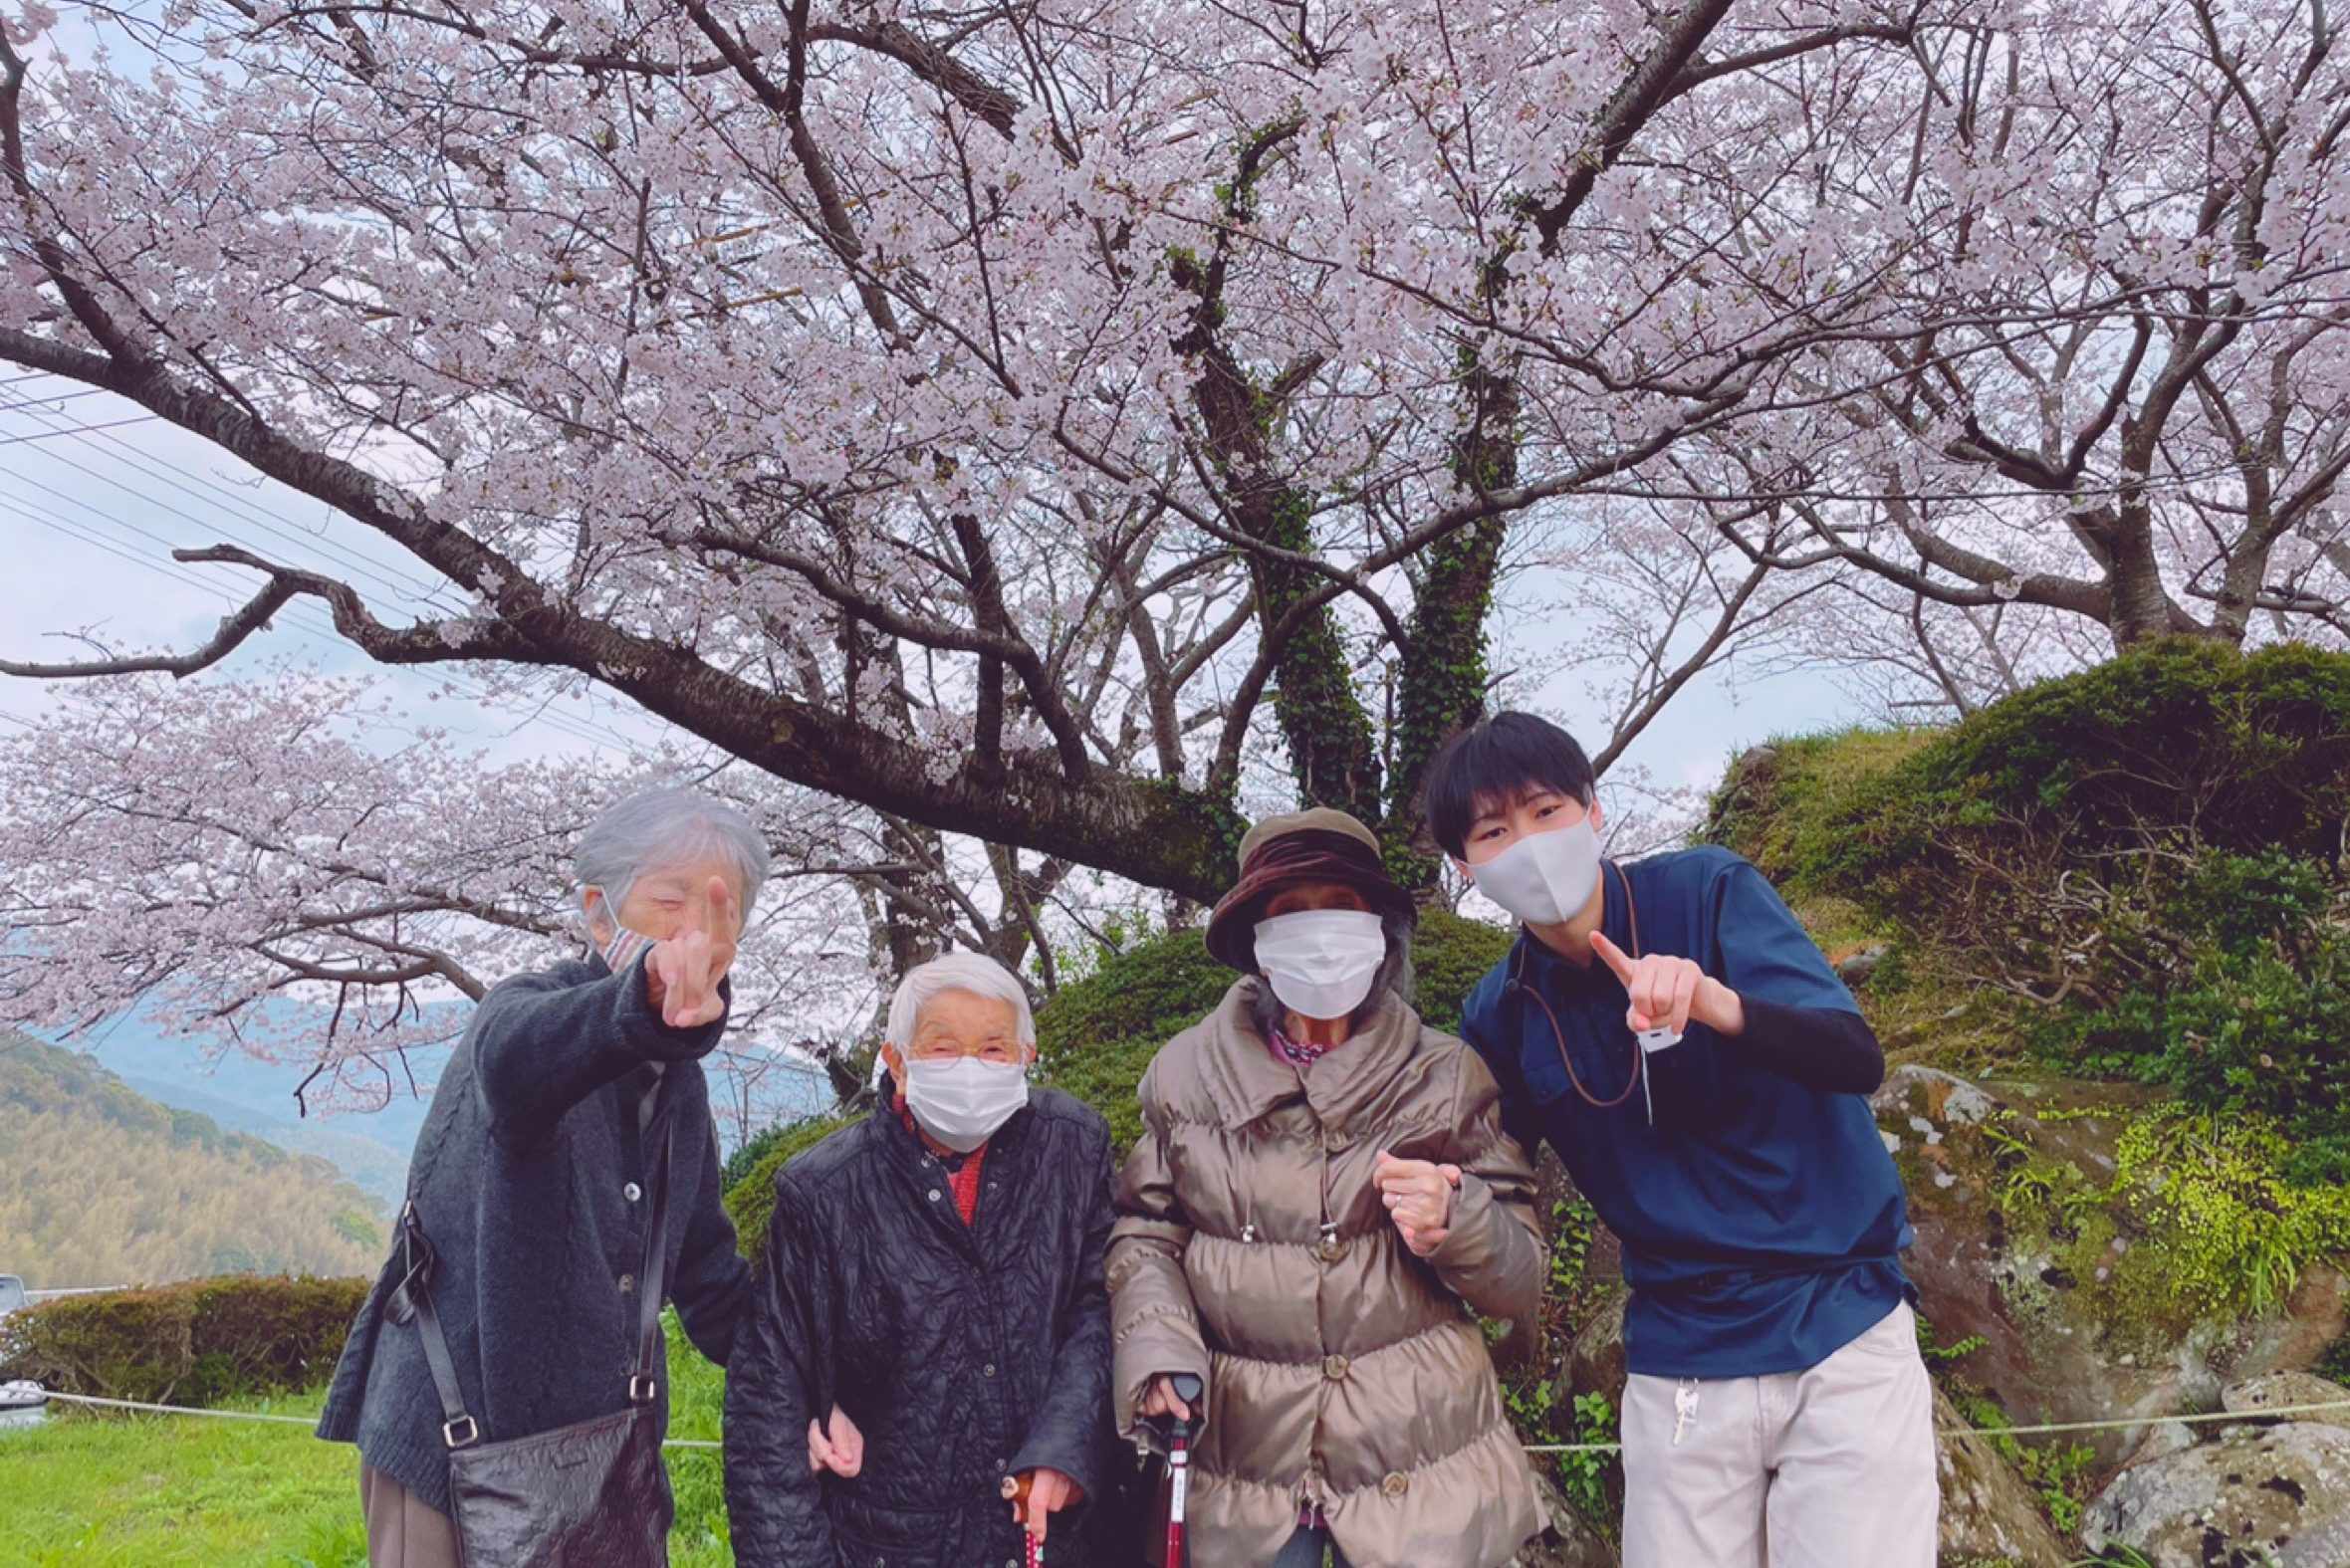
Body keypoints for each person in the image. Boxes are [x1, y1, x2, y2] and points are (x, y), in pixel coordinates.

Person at [1425, 713, 1937, 1567]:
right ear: (1466, 867)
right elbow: (1489, 1177)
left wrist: (1715, 1002)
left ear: (1593, 810)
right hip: (1682, 1356)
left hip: (1841, 1323)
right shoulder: (1501, 1011)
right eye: (1493, 830)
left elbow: (1855, 1055)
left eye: (1546, 810)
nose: (1527, 842)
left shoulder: (1707, 890)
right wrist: (1442, 1206)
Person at [316, 784, 764, 1567]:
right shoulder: (531, 1013)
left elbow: (707, 1276)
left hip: (595, 1467)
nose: (700, 932)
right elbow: (515, 1062)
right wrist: (642, 1003)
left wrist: (821, 1379)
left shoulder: (680, 1090)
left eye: (725, 912)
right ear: (600, 912)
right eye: (672, 900)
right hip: (453, 1449)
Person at [1107, 807, 1546, 1568]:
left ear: (1378, 927)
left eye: (1341, 906)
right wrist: (1157, 1345)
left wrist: (1460, 1221)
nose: (1320, 930)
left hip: (1424, 1470)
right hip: (1246, 1469)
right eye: (1290, 911)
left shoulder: (1444, 1076)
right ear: (1255, 941)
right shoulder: (1184, 1077)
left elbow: (1523, 1274)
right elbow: (1145, 1235)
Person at [724, 950, 1116, 1567]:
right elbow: (769, 1399)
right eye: (940, 1048)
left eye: (993, 1049)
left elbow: (1099, 1308)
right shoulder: (824, 1191)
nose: (968, 1068)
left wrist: (1068, 1445)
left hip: (1054, 1533)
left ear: (1025, 1059)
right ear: (897, 1063)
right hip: (890, 1541)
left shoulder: (1073, 1146)